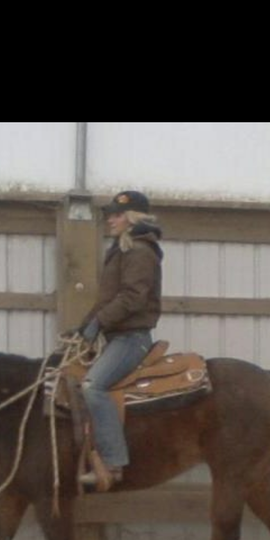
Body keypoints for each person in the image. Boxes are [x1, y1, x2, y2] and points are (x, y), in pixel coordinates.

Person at [77, 190, 163, 490]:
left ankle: (113, 464)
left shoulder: (139, 251)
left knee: (93, 386)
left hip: (131, 339)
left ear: (132, 217)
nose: (110, 219)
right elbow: (106, 299)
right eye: (110, 214)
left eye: (116, 214)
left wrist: (99, 322)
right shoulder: (124, 248)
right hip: (117, 336)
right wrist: (83, 328)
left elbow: (133, 298)